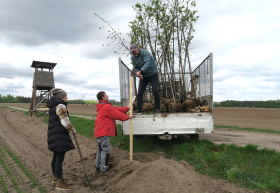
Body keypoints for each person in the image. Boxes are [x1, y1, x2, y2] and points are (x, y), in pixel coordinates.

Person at [94, 91, 133, 176]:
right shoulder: (106, 107)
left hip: (99, 132)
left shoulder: (103, 106)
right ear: (103, 97)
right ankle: (103, 168)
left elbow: (116, 109)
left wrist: (127, 108)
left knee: (100, 149)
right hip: (103, 132)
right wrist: (128, 117)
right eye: (106, 95)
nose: (108, 96)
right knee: (105, 149)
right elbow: (117, 114)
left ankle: (98, 166)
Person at [47, 88, 76, 191]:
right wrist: (72, 129)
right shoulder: (61, 106)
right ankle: (60, 183)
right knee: (59, 159)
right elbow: (65, 122)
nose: (67, 98)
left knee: (55, 157)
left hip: (53, 134)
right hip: (60, 135)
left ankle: (55, 178)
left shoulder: (53, 106)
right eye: (66, 96)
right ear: (61, 97)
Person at [130, 44, 160, 114]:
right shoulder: (133, 57)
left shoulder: (145, 53)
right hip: (144, 76)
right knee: (140, 92)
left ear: (138, 48)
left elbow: (148, 63)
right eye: (132, 52)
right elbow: (135, 67)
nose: (133, 53)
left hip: (153, 74)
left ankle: (157, 108)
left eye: (134, 51)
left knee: (155, 90)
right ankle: (139, 110)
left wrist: (141, 71)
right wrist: (139, 74)